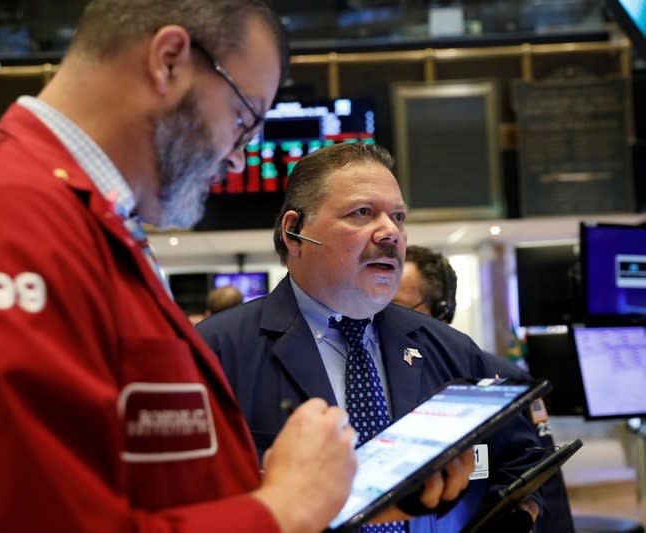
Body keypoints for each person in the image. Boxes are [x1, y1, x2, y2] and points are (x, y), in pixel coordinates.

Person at [0, 2, 473, 532]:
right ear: (168, 59)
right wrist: (282, 509)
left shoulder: (82, 224)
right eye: (244, 116)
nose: (241, 152)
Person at [196, 142, 557, 533]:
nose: (390, 233)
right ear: (294, 232)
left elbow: (523, 460)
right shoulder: (214, 353)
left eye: (398, 217)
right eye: (362, 213)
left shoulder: (449, 348)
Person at [393, 245, 576, 532]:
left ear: (443, 310)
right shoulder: (377, 378)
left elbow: (542, 482)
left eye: (397, 307)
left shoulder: (500, 378)